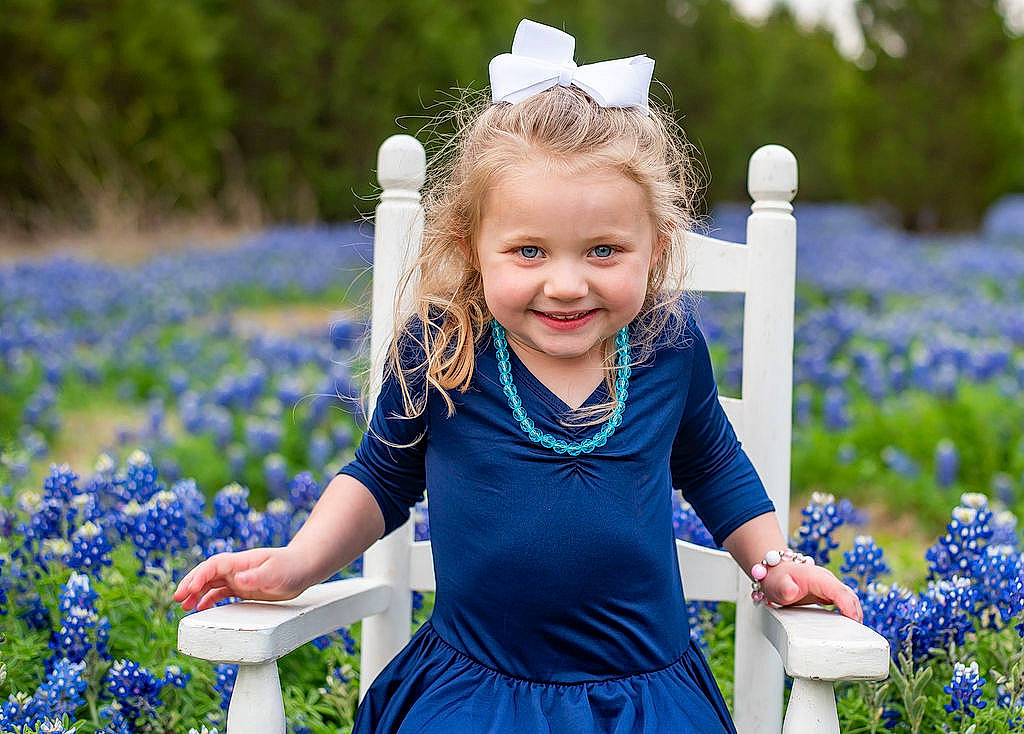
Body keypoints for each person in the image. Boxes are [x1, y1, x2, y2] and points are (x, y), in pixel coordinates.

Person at [174, 18, 863, 733]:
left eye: (603, 250)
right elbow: (380, 478)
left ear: (655, 249)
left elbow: (715, 466)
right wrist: (299, 564)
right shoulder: (443, 349)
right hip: (472, 691)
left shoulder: (668, 346)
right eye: (529, 251)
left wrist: (773, 562)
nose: (566, 284)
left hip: (642, 698)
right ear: (472, 246)